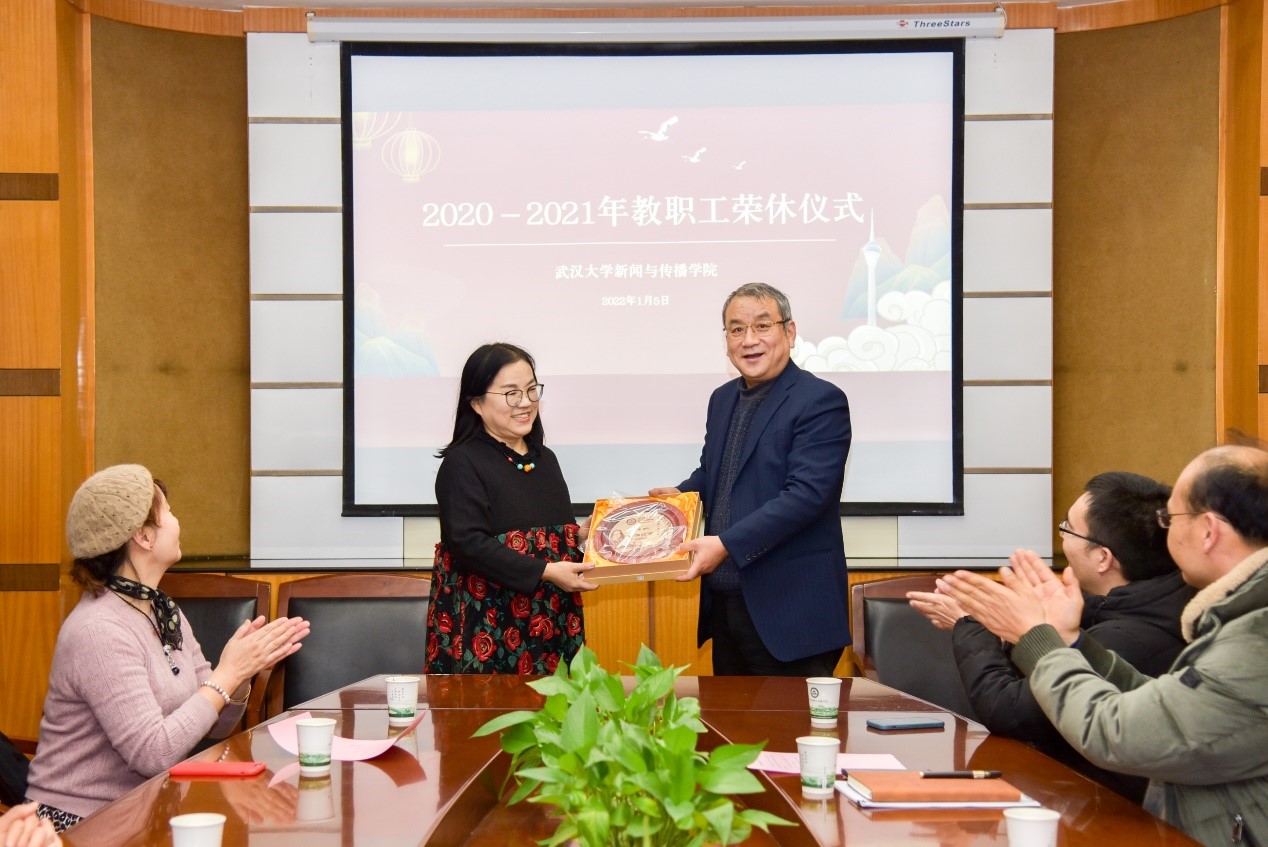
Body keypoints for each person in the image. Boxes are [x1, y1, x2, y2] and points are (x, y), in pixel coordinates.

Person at [940, 445, 1268, 847]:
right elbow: (1164, 706)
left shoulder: (1254, 640)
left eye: (1170, 518)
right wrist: (1068, 641)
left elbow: (1118, 734)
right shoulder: (1241, 618)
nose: (1164, 531)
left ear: (1208, 531)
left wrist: (1038, 641)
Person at [23, 465, 309, 830]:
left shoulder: (162, 611)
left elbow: (217, 724)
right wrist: (228, 673)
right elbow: (153, 753)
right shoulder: (98, 630)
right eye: (169, 513)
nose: (177, 521)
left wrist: (240, 674)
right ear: (143, 536)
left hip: (145, 813)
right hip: (82, 823)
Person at [907, 471, 1195, 801]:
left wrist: (971, 622)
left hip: (1097, 804)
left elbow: (1009, 710)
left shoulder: (1127, 638)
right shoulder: (1135, 603)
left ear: (1103, 558)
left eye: (1067, 528)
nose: (1061, 537)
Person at [650, 283, 852, 676]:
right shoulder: (722, 399)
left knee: (790, 719)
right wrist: (679, 498)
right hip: (728, 607)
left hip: (791, 613)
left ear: (789, 332)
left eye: (762, 326)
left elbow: (807, 496)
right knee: (731, 717)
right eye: (737, 329)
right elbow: (715, 474)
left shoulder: (820, 400)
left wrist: (725, 544)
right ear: (726, 339)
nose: (749, 340)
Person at [425, 342, 597, 674]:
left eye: (532, 390)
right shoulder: (462, 463)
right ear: (476, 403)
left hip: (550, 622)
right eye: (511, 393)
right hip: (489, 628)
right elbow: (468, 544)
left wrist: (578, 537)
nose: (526, 402)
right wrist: (546, 572)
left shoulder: (544, 460)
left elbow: (544, 537)